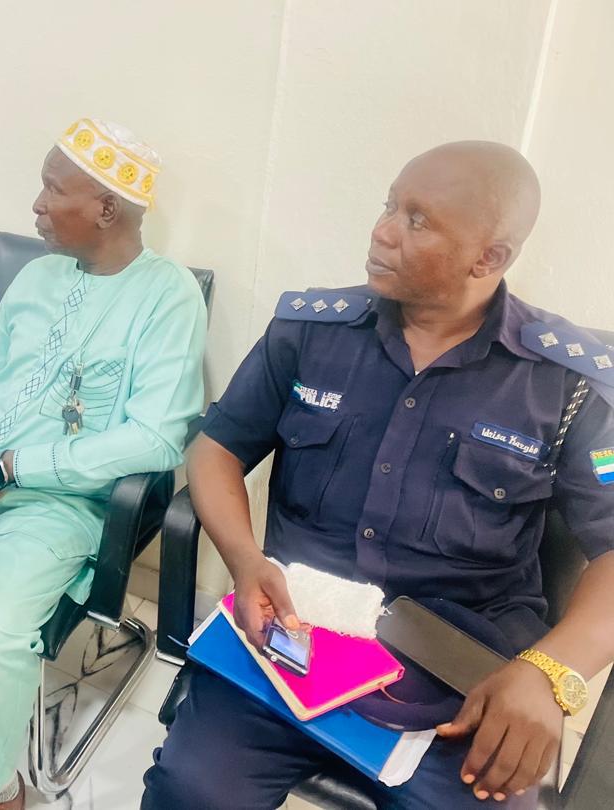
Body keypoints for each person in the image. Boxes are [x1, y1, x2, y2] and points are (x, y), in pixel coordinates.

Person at [142, 141, 614, 809]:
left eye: (417, 220)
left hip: (461, 668)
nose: (382, 231)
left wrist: (549, 672)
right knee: (190, 791)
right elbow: (216, 448)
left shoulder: (568, 384)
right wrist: (245, 560)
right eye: (389, 206)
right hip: (295, 632)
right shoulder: (311, 331)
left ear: (489, 257)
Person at [0, 118, 207, 809]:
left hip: (56, 503)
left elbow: (157, 440)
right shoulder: (38, 277)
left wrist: (16, 467)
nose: (36, 206)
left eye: (52, 189)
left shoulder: (167, 296)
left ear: (106, 208)